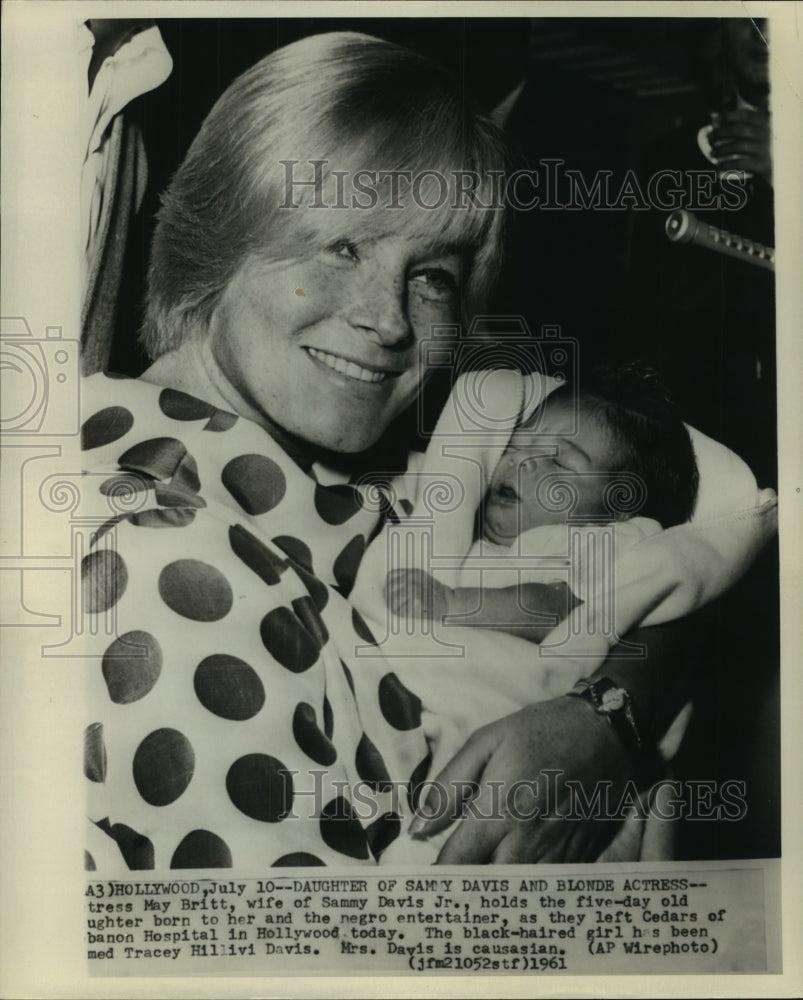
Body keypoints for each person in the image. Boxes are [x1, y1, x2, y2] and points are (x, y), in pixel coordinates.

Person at [81, 31, 775, 871]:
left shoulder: (336, 482)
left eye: (433, 274)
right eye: (343, 246)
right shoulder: (167, 554)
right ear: (223, 229)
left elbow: (688, 544)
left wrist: (605, 720)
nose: (391, 318)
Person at [386, 363, 699, 638]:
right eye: (515, 444)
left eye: (559, 461)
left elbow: (559, 609)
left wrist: (452, 604)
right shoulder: (461, 514)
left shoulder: (594, 543)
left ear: (620, 509)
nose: (521, 460)